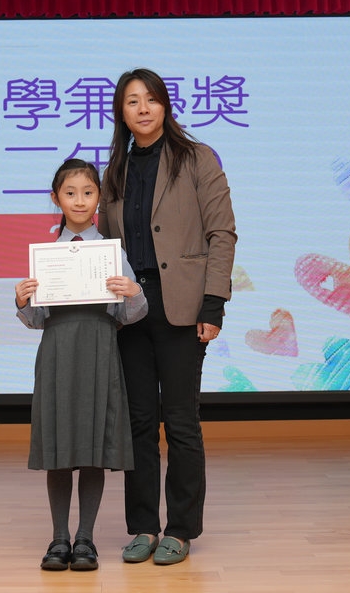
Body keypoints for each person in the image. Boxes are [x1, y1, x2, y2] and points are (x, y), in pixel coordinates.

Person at [98, 68, 238, 565]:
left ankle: (180, 529)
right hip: (129, 309)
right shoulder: (114, 171)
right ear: (121, 112)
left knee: (180, 421)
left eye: (151, 99)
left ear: (165, 106)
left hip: (183, 306)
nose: (142, 109)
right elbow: (104, 245)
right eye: (132, 101)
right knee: (137, 423)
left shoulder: (197, 158)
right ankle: (143, 527)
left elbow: (222, 233)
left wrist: (213, 302)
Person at [15, 158, 148, 571]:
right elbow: (37, 319)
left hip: (100, 349)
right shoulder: (45, 256)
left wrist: (134, 293)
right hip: (57, 351)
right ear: (55, 198)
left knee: (93, 446)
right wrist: (22, 301)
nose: (79, 200)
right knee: (58, 446)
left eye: (88, 192)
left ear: (99, 198)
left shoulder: (112, 252)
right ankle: (59, 538)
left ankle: (85, 538)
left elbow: (129, 314)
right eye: (70, 193)